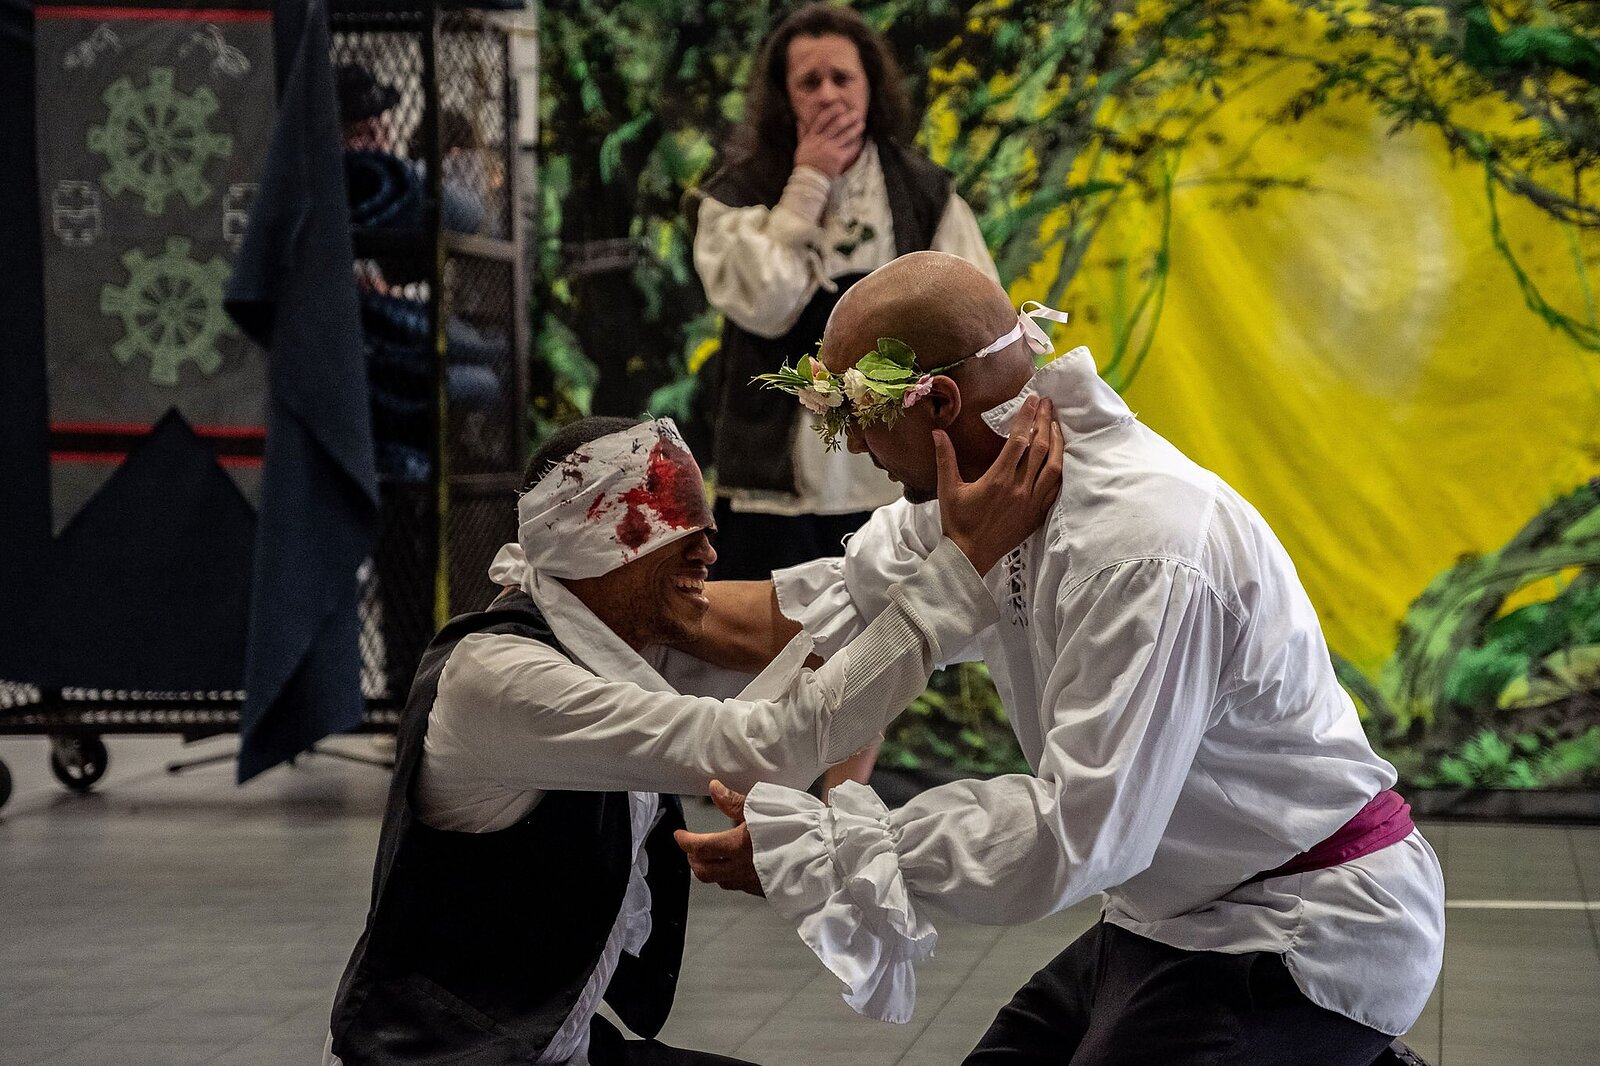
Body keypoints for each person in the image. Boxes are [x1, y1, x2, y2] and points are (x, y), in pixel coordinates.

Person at [675, 251, 1445, 1065]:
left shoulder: (1138, 545)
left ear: (937, 400)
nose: (855, 447)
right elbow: (818, 617)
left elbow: (1080, 832)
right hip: (1165, 918)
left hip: (1303, 923)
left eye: (853, 416)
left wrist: (828, 848)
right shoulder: (987, 495)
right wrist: (600, 603)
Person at [325, 410, 1061, 1065]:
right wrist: (959, 570)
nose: (710, 552)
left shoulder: (625, 645)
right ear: (595, 546)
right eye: (680, 533)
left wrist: (958, 558)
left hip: (548, 1043)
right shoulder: (501, 680)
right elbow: (769, 745)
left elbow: (811, 643)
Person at [688, 1, 1000, 791]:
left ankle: (843, 789)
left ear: (871, 86)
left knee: (875, 631)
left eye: (842, 76)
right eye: (809, 80)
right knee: (779, 628)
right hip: (778, 464)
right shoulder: (739, 192)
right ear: (782, 96)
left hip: (881, 465)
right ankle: (760, 783)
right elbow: (761, 302)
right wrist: (808, 186)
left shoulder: (921, 188)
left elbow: (975, 302)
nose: (828, 93)